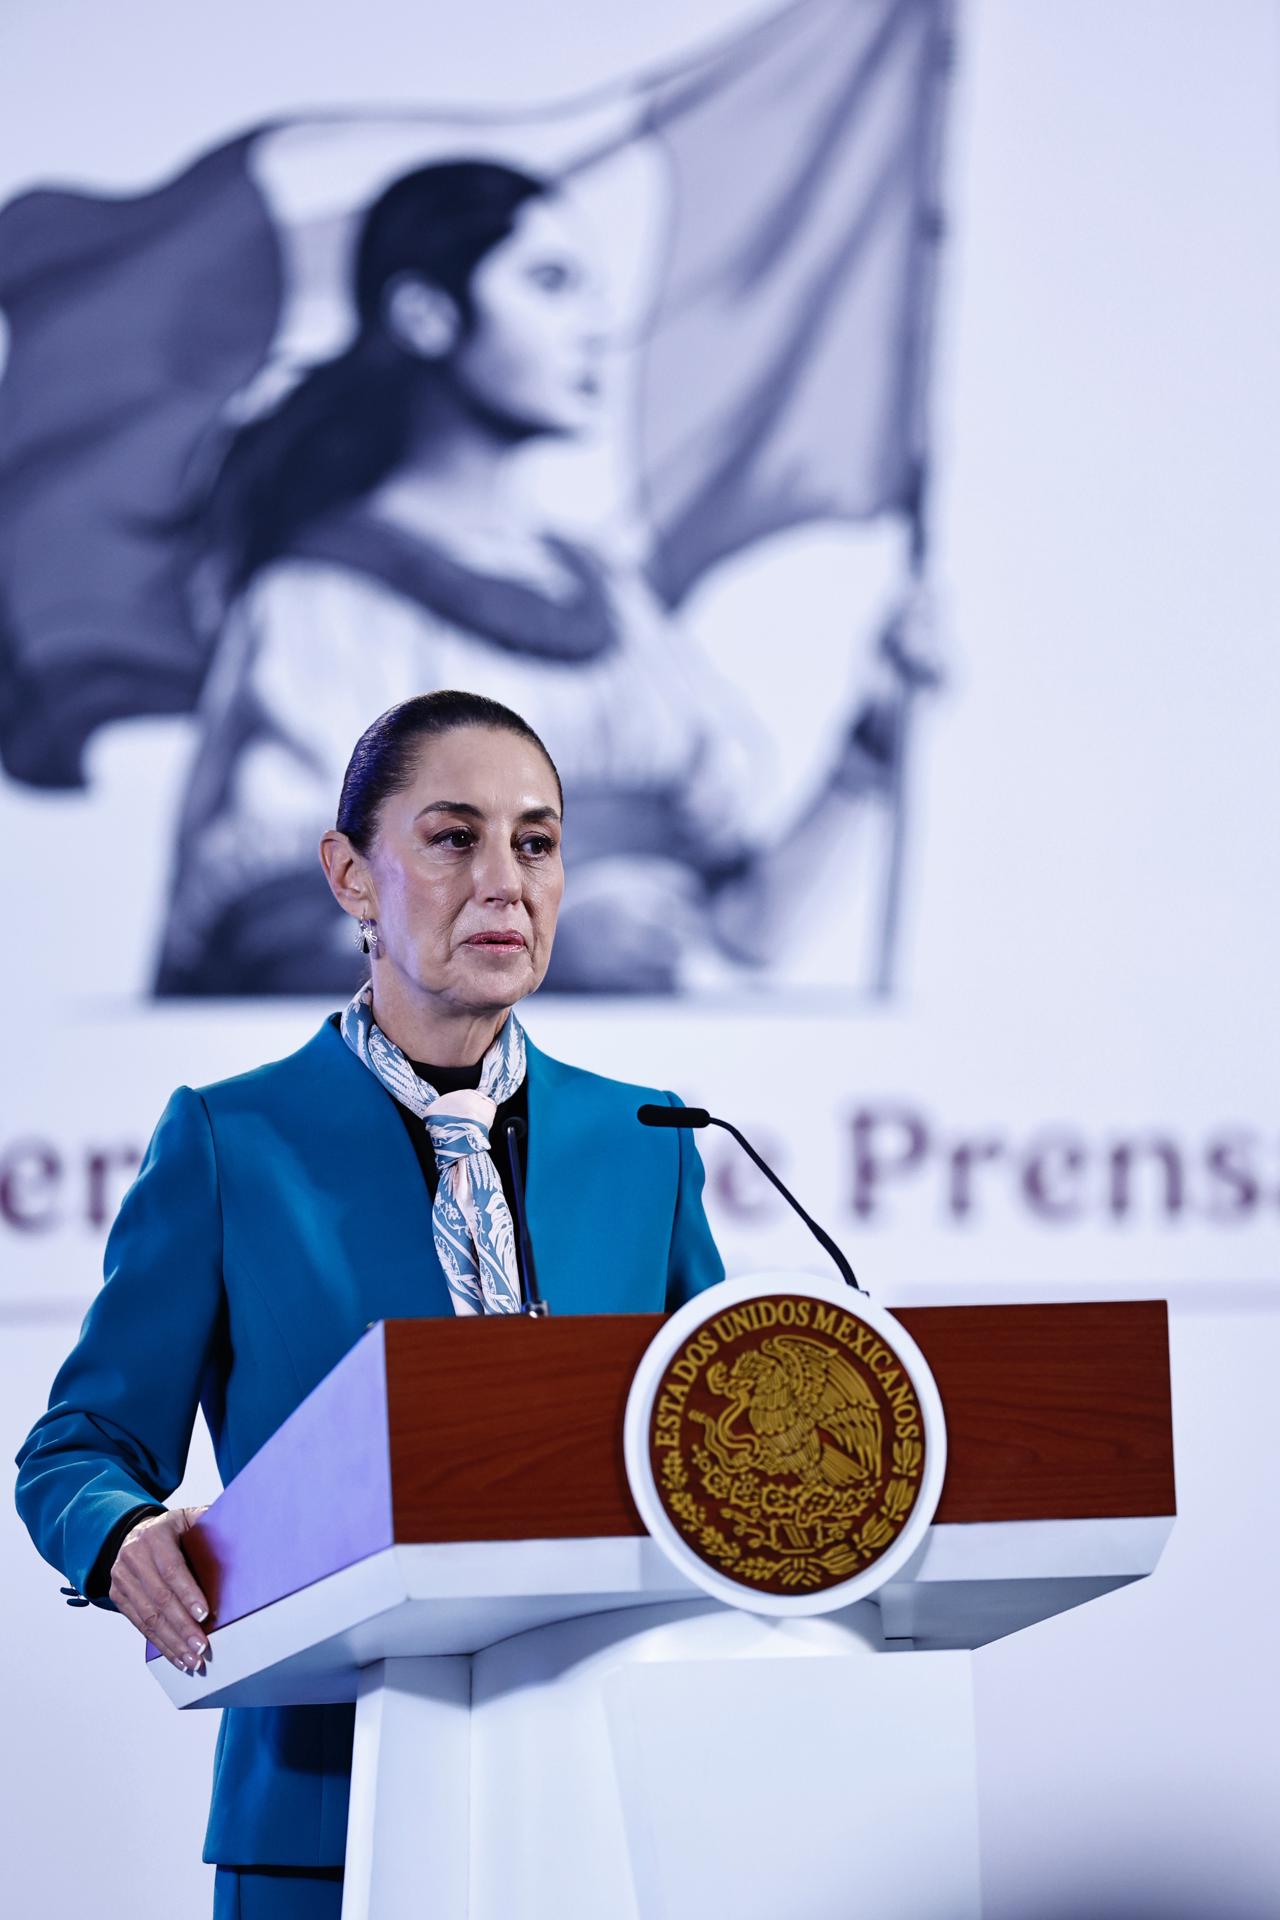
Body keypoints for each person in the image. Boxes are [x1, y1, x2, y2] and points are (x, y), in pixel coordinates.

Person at [15, 689, 724, 1919]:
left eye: (537, 842)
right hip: (319, 1810)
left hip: (613, 1792)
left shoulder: (646, 1138)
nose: (504, 882)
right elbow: (76, 1450)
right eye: (453, 838)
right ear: (349, 876)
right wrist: (119, 1533)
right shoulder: (233, 1140)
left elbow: (718, 1436)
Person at [154, 157, 917, 999]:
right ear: (427, 313)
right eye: (549, 282)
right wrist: (538, 942)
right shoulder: (317, 606)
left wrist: (873, 745)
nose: (593, 326)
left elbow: (744, 932)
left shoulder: (616, 607)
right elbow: (273, 939)